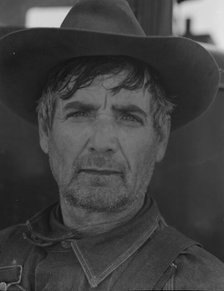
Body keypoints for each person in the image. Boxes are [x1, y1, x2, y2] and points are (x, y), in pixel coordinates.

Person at [0, 0, 223, 290]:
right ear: (45, 129)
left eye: (129, 116)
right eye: (80, 113)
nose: (102, 143)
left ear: (161, 137)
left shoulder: (204, 283)